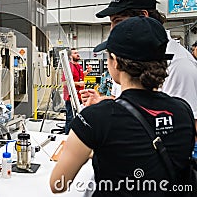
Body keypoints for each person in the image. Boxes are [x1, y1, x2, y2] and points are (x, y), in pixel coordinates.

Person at [50, 16, 195, 196]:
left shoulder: (95, 119)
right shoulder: (183, 110)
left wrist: (93, 151)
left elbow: (58, 184)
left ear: (116, 62)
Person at [80, 0, 197, 127]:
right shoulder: (128, 56)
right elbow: (129, 102)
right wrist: (101, 101)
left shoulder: (179, 65)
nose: (112, 30)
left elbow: (188, 126)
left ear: (143, 15)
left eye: (118, 21)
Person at [62, 48, 91, 134]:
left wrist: (87, 72)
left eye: (77, 53)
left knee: (78, 118)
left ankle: (75, 136)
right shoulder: (69, 67)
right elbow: (64, 82)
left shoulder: (79, 66)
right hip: (71, 97)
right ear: (70, 56)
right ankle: (67, 136)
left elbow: (80, 76)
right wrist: (78, 84)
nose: (78, 54)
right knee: (70, 118)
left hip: (79, 97)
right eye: (75, 53)